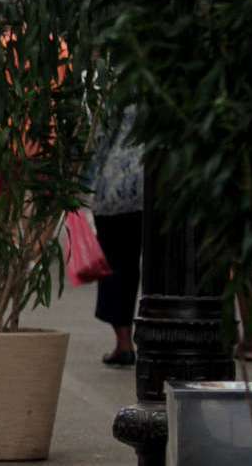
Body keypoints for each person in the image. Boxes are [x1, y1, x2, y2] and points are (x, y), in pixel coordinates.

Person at [89, 105, 144, 367]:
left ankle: (124, 342)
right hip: (157, 181)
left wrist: (86, 184)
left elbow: (100, 135)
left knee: (116, 263)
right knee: (155, 268)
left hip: (117, 185)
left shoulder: (116, 81)